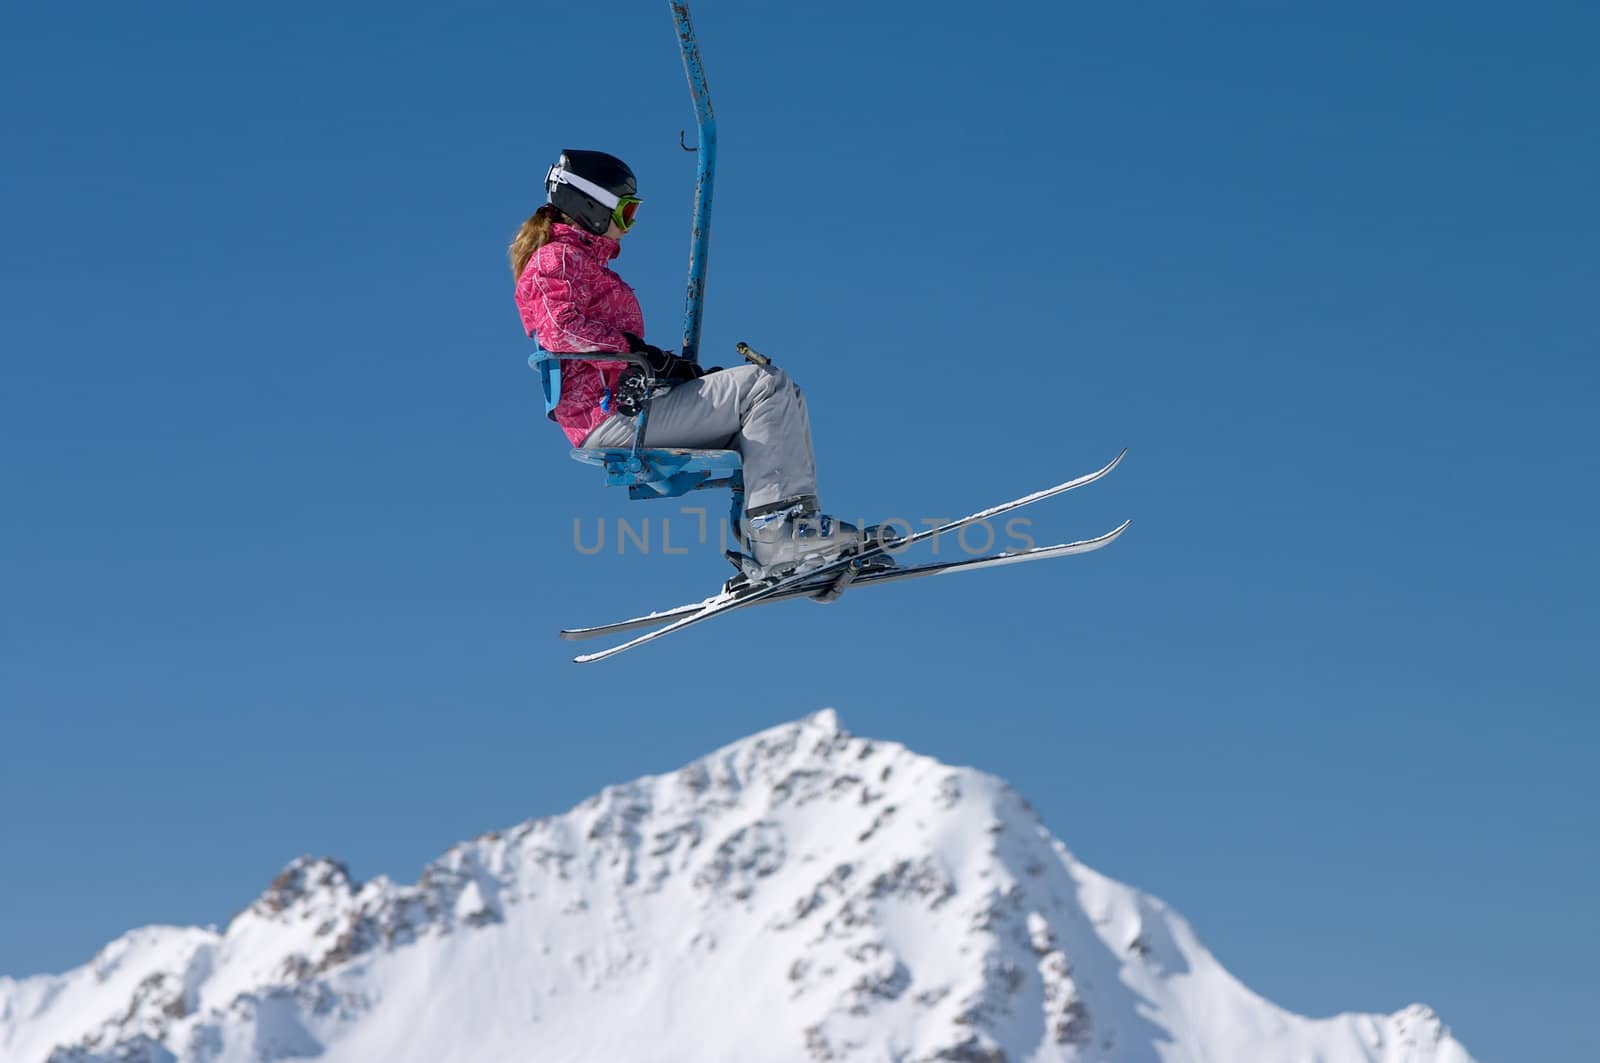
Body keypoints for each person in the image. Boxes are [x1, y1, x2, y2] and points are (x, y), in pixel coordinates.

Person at [510, 149, 862, 577]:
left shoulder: (581, 264)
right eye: (626, 211)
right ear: (590, 205)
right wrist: (643, 356)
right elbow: (559, 329)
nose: (630, 225)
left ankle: (791, 528)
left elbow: (611, 347)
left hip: (627, 404)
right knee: (763, 386)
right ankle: (777, 535)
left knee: (780, 400)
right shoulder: (556, 260)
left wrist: (671, 370)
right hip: (609, 417)